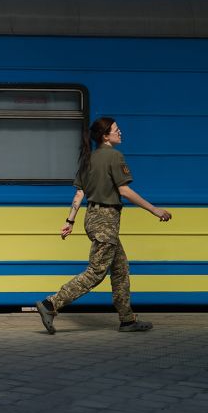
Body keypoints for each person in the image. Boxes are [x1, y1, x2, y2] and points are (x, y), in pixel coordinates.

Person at [36, 117, 171, 334]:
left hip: (92, 217)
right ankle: (50, 304)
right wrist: (154, 210)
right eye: (117, 130)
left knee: (120, 269)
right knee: (95, 272)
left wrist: (70, 221)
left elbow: (79, 193)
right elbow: (124, 191)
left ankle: (127, 319)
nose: (121, 132)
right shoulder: (114, 156)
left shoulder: (89, 158)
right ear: (105, 136)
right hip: (106, 220)